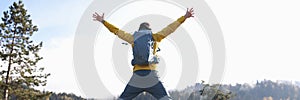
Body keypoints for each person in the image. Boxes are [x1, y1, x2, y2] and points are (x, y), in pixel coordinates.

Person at [93, 8, 194, 100]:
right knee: (165, 98)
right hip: (152, 76)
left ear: (139, 29)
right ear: (149, 30)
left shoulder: (133, 38)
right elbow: (171, 28)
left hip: (137, 77)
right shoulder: (155, 37)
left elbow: (116, 31)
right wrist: (184, 17)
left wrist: (103, 21)